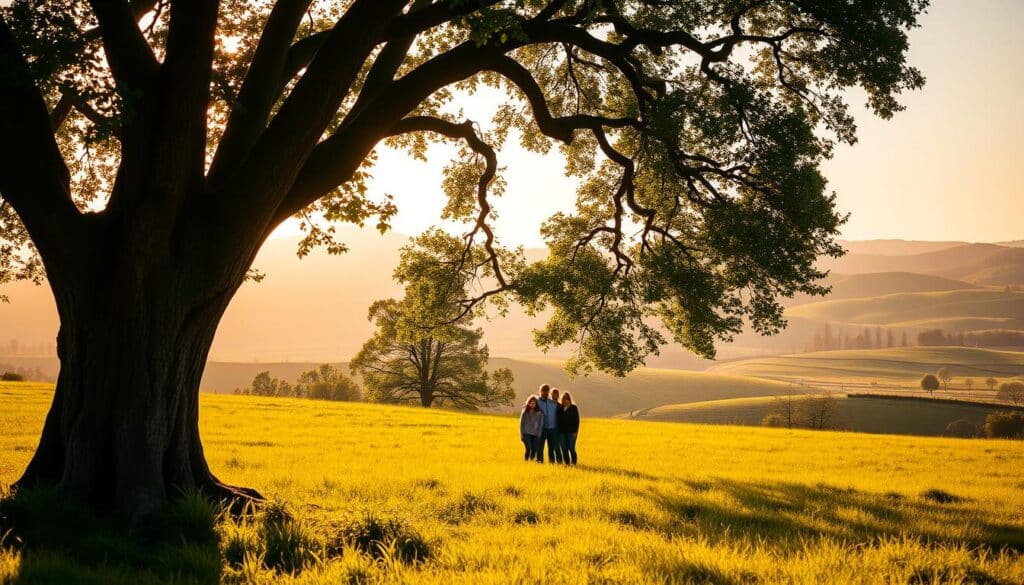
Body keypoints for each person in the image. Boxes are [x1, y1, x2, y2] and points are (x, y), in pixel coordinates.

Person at [535, 384, 559, 463]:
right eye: (543, 390)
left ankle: (552, 462)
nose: (545, 392)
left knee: (551, 448)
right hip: (542, 429)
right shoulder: (536, 402)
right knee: (540, 447)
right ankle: (539, 462)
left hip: (552, 429)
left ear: (549, 392)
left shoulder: (552, 403)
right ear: (540, 391)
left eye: (547, 391)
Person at [557, 391, 580, 465]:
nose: (565, 400)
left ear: (569, 399)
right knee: (564, 448)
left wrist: (576, 432)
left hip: (571, 432)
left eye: (566, 398)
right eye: (563, 398)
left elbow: (577, 421)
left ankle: (574, 463)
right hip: (561, 432)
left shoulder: (573, 408)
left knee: (571, 448)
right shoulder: (560, 408)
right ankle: (567, 463)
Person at [519, 395, 543, 462]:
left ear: (536, 404)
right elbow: (521, 424)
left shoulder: (539, 413)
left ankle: (531, 461)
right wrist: (521, 435)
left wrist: (539, 434)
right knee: (528, 448)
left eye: (534, 403)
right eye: (531, 403)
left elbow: (541, 425)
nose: (532, 404)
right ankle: (526, 461)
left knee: (534, 449)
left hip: (535, 434)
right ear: (528, 403)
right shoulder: (525, 412)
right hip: (526, 433)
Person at [549, 388, 564, 463]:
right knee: (550, 446)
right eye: (553, 394)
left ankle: (559, 461)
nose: (555, 395)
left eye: (556, 394)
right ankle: (551, 462)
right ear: (550, 395)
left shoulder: (560, 406)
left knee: (556, 446)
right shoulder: (547, 404)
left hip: (557, 429)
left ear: (558, 395)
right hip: (548, 428)